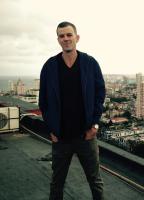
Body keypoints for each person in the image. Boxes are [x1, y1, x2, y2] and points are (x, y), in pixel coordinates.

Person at [39, 21, 105, 200]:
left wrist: (95, 126)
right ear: (58, 40)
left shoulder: (90, 63)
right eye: (62, 36)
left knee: (95, 181)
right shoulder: (50, 66)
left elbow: (100, 95)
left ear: (77, 37)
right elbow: (43, 101)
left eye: (69, 35)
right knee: (57, 182)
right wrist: (51, 130)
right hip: (60, 137)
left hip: (86, 135)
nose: (66, 39)